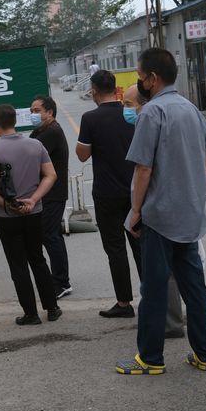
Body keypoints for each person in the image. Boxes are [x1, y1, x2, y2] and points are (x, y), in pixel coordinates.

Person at [116, 47, 206, 375]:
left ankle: (150, 358)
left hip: (159, 215)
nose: (139, 82)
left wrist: (135, 211)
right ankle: (205, 354)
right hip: (189, 213)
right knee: (194, 287)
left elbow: (142, 169)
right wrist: (191, 182)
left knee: (155, 288)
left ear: (153, 79)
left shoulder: (152, 112)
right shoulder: (191, 109)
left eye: (140, 76)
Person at [0, 104, 62, 325]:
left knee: (18, 264)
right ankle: (52, 308)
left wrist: (7, 203)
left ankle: (31, 314)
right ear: (15, 121)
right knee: (38, 259)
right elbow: (51, 175)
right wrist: (34, 199)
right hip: (34, 212)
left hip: (7, 217)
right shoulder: (35, 145)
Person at [76, 70, 142, 318]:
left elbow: (82, 155)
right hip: (136, 191)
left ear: (93, 90)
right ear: (116, 89)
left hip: (106, 194)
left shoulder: (90, 118)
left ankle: (124, 304)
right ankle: (153, 298)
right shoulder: (133, 113)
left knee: (115, 249)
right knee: (140, 247)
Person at [121, 85, 185, 339]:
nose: (124, 110)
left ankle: (160, 335)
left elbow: (143, 170)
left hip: (157, 209)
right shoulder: (185, 111)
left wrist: (135, 211)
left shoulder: (149, 118)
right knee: (187, 273)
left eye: (127, 104)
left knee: (159, 272)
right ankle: (202, 348)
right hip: (181, 205)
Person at [29, 95, 71, 299]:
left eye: (37, 111)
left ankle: (61, 282)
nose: (33, 114)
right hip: (48, 192)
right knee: (52, 235)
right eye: (31, 111)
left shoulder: (52, 132)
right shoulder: (41, 130)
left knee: (49, 235)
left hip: (53, 192)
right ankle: (61, 279)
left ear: (50, 112)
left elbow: (29, 153)